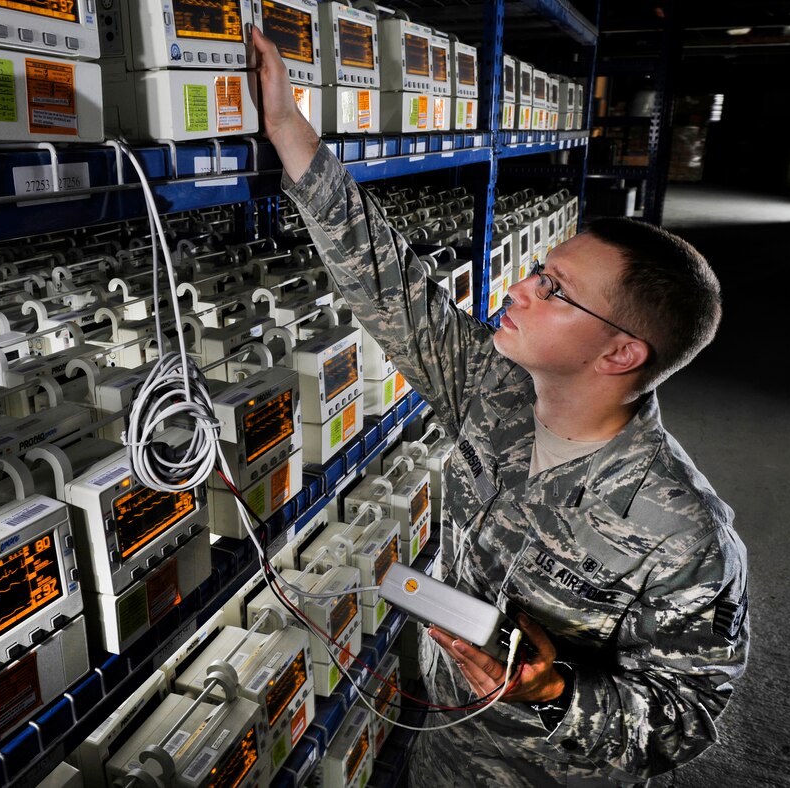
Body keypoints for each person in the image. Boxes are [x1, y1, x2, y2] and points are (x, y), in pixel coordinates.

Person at [249, 26, 749, 788]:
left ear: (620, 354)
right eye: (537, 272)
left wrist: (556, 692)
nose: (519, 287)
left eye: (553, 290)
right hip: (444, 750)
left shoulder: (683, 535)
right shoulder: (495, 392)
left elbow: (681, 723)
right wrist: (287, 125)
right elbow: (387, 285)